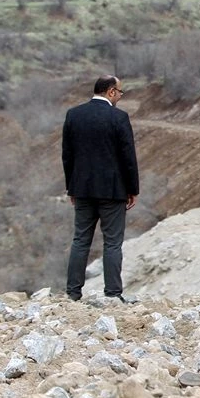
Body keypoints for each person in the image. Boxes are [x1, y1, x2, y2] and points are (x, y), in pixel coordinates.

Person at [62, 75, 139, 302]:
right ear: (111, 92)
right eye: (120, 93)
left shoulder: (74, 115)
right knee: (113, 242)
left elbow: (68, 156)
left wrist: (72, 188)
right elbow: (128, 157)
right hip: (113, 191)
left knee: (80, 240)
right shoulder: (119, 118)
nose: (120, 97)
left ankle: (73, 293)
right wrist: (132, 189)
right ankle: (113, 294)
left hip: (83, 189)